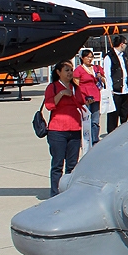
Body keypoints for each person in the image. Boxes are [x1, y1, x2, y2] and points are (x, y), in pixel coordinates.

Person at [43, 61, 87, 197]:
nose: (69, 73)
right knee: (57, 164)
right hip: (58, 130)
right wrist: (61, 93)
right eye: (66, 70)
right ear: (58, 72)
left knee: (72, 164)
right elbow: (49, 105)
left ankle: (68, 193)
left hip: (74, 129)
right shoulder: (53, 87)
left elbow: (81, 101)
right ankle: (55, 193)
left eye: (71, 70)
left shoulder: (75, 87)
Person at [103, 35, 128, 133]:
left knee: (125, 112)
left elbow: (127, 70)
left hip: (124, 90)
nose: (126, 46)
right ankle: (111, 133)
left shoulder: (124, 56)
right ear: (121, 44)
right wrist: (110, 90)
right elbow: (107, 74)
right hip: (115, 91)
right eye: (125, 44)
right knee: (113, 115)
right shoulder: (109, 57)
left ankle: (123, 132)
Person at [73, 49, 102, 144]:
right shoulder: (79, 70)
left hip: (96, 95)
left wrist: (100, 77)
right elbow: (76, 84)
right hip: (85, 96)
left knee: (95, 119)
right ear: (82, 58)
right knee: (86, 119)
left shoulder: (96, 68)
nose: (90, 59)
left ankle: (95, 139)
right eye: (87, 57)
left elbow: (104, 80)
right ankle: (85, 139)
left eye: (91, 57)